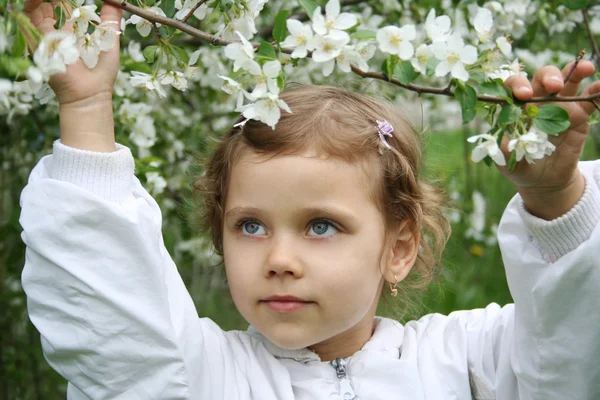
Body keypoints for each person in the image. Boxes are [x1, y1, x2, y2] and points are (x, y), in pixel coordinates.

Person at [20, 1, 600, 399]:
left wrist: (554, 203)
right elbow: (112, 323)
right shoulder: (205, 375)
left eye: (321, 226)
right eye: (249, 226)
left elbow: (566, 352)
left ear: (398, 249)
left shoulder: (465, 362)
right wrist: (88, 109)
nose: (279, 257)